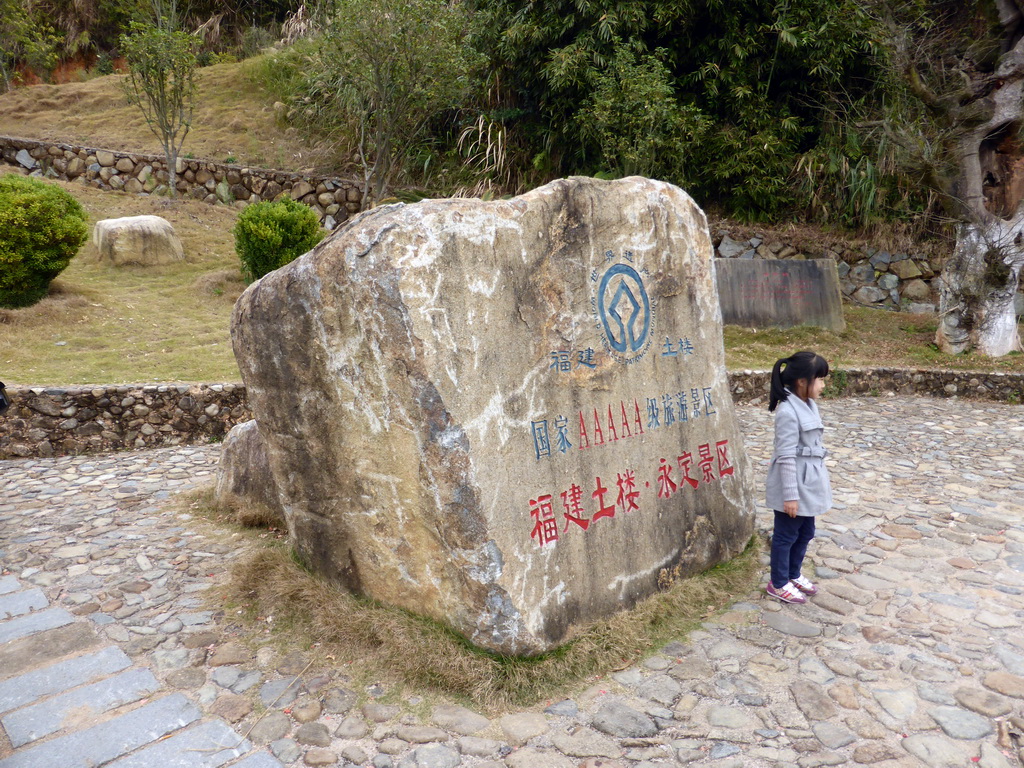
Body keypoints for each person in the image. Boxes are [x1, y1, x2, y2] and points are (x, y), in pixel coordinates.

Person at [764, 350, 832, 604]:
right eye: (820, 379)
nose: (823, 386)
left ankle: (793, 573)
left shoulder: (808, 404)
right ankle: (778, 582)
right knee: (786, 534)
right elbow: (785, 456)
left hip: (809, 481)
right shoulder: (788, 412)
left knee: (806, 532)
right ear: (802, 381)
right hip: (793, 485)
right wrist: (790, 496)